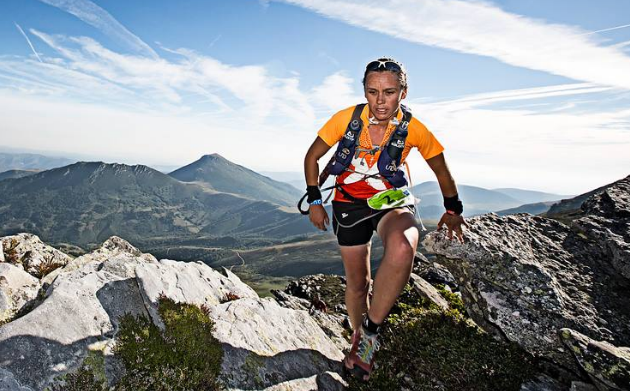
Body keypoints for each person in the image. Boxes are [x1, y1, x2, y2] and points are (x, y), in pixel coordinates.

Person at [303, 58, 467, 381]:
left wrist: (453, 209)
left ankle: (369, 335)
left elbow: (441, 169)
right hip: (348, 203)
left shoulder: (414, 129)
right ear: (364, 90)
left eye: (389, 92)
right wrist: (315, 201)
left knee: (405, 245)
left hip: (389, 202)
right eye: (372, 91)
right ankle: (355, 332)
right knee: (358, 283)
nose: (380, 101)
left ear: (403, 93)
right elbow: (312, 157)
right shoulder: (347, 120)